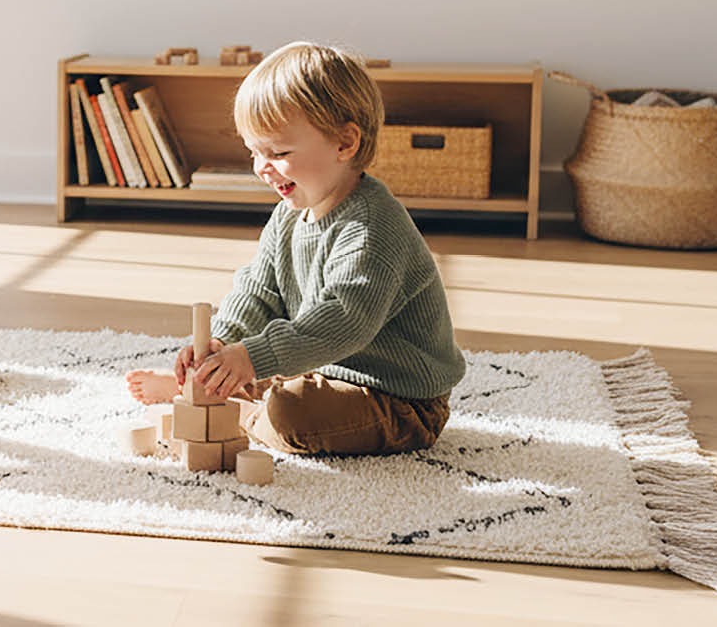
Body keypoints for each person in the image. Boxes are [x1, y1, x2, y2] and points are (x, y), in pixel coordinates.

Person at [126, 42, 464, 456]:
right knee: (253, 366)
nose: (261, 168)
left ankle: (237, 409)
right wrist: (221, 342)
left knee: (290, 412)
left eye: (278, 153)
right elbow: (257, 291)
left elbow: (343, 320)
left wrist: (249, 357)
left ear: (345, 143)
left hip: (398, 399)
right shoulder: (289, 215)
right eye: (254, 152)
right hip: (324, 367)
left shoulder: (372, 226)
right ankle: (207, 388)